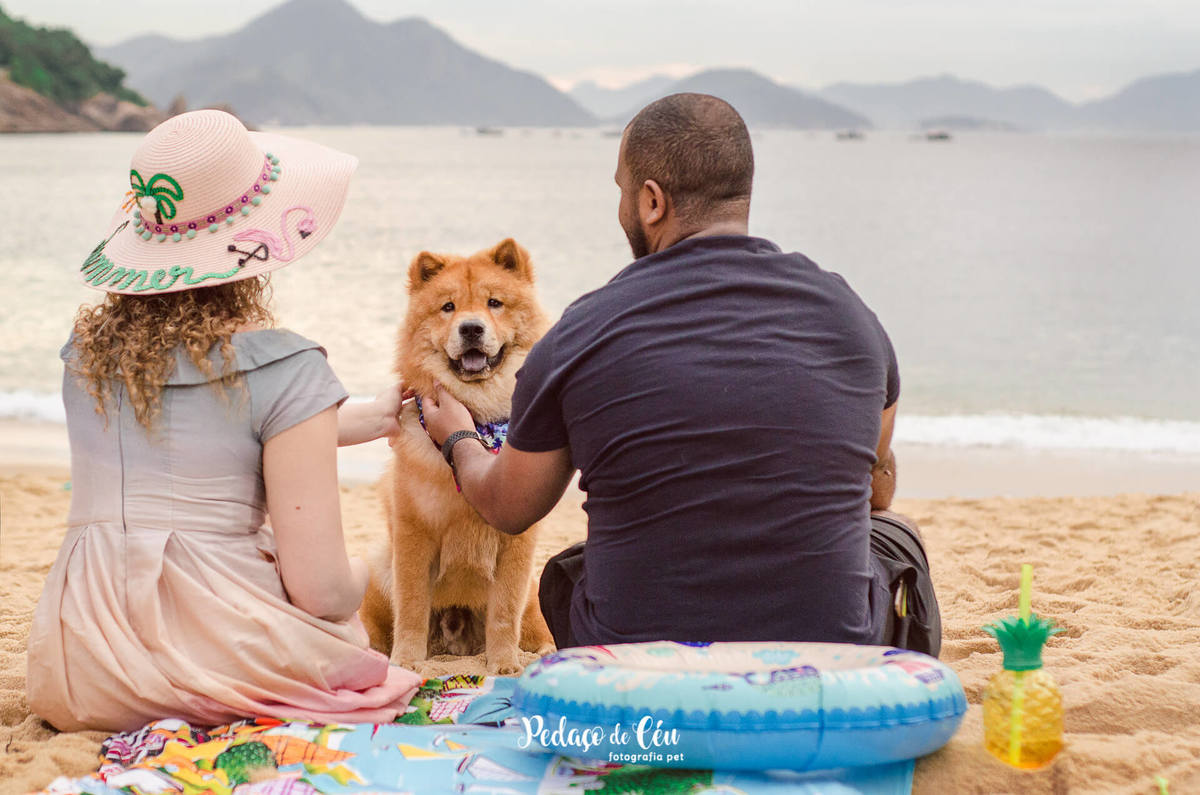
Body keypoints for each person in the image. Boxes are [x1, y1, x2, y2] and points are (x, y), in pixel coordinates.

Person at [422, 93, 941, 655]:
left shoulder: (583, 331)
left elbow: (508, 507)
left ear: (651, 201)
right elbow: (875, 483)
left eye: (621, 191)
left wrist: (459, 439)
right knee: (897, 535)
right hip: (832, 653)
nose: (621, 208)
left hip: (636, 657)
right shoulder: (850, 317)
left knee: (567, 572)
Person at [26, 110, 421, 732]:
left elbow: (199, 432)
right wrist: (377, 568)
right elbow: (321, 590)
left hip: (78, 665)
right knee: (346, 626)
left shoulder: (86, 359)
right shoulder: (283, 365)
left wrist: (364, 417)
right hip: (210, 661)